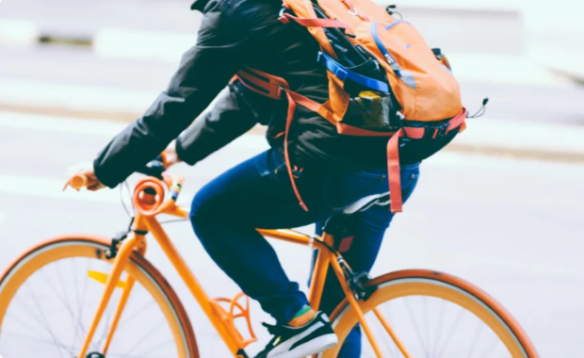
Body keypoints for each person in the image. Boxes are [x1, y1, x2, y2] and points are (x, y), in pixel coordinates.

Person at [73, 0, 459, 356]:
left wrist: (105, 168)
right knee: (339, 310)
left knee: (212, 211)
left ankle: (293, 318)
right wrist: (177, 153)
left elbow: (175, 105)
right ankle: (313, 325)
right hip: (395, 165)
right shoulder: (300, 4)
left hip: (328, 169)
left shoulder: (232, 12)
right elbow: (250, 96)